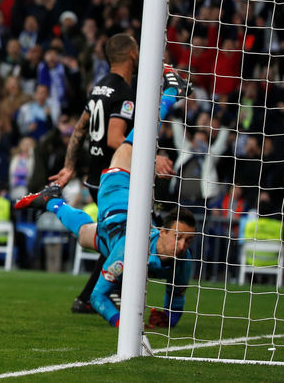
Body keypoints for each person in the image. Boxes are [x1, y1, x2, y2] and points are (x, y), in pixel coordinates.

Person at [17, 68, 193, 327]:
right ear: (163, 231)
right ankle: (170, 94)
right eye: (178, 238)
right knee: (136, 141)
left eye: (187, 242)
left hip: (110, 230)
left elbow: (174, 307)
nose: (182, 247)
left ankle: (52, 199)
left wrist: (166, 319)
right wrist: (122, 324)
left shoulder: (183, 262)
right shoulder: (131, 251)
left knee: (84, 234)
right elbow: (100, 297)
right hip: (117, 188)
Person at [50, 33, 172, 314]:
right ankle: (106, 294)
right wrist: (151, 159)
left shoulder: (99, 88)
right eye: (138, 49)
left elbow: (80, 128)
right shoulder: (124, 94)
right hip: (114, 178)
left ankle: (90, 296)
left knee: (117, 236)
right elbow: (115, 138)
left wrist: (70, 166)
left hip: (96, 176)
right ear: (131, 54)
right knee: (135, 234)